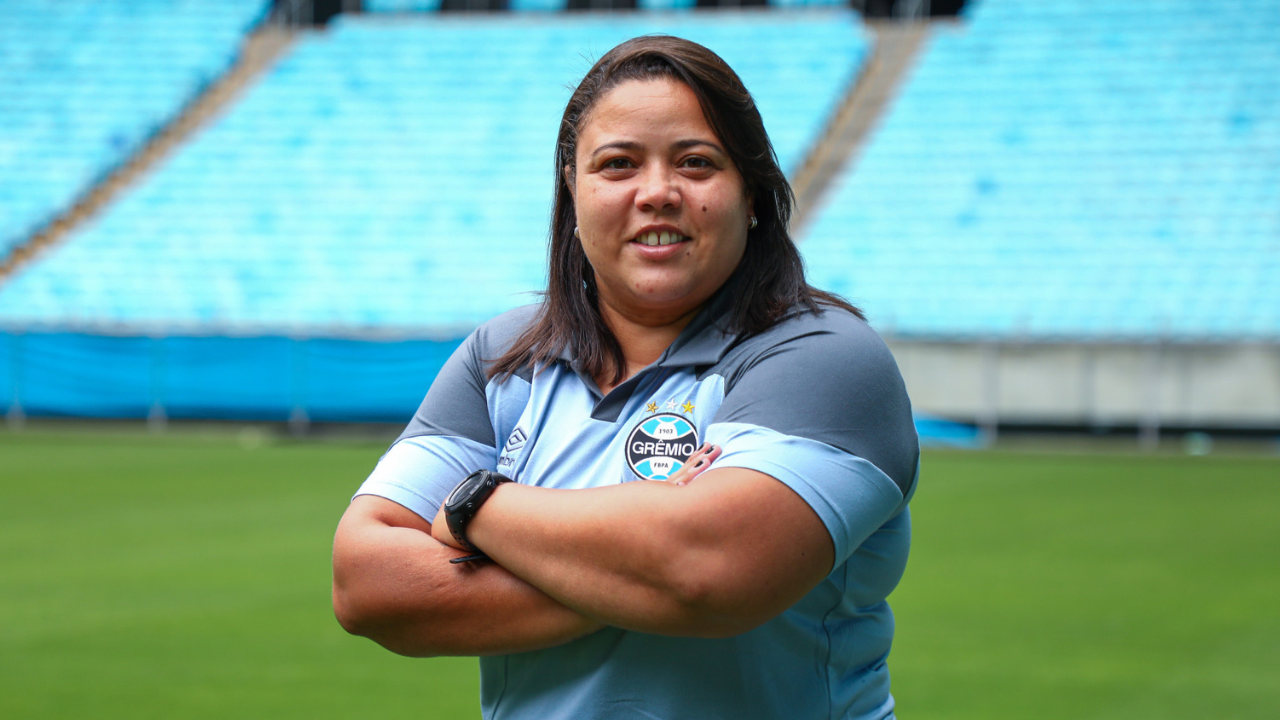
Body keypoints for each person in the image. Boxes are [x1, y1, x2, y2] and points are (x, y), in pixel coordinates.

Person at [332, 35, 918, 720]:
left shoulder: (824, 356)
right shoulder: (505, 359)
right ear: (573, 195)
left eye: (697, 164)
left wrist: (477, 508)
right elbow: (364, 583)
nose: (658, 193)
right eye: (617, 165)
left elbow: (705, 572)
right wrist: (637, 569)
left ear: (752, 195)